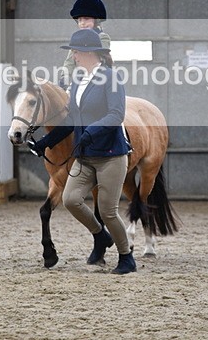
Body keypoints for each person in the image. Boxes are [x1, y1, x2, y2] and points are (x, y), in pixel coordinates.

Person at [29, 28, 136, 275]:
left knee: (108, 211)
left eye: (76, 52)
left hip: (110, 155)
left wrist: (89, 132)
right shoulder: (77, 81)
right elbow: (71, 121)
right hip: (84, 155)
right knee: (70, 200)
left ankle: (126, 257)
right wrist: (44, 142)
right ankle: (101, 236)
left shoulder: (111, 78)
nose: (74, 56)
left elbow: (115, 114)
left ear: (89, 53)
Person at [58, 0, 111, 88]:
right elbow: (69, 61)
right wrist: (64, 77)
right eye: (79, 20)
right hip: (80, 79)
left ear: (96, 20)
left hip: (99, 79)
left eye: (86, 19)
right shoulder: (77, 39)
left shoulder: (102, 37)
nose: (82, 23)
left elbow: (100, 59)